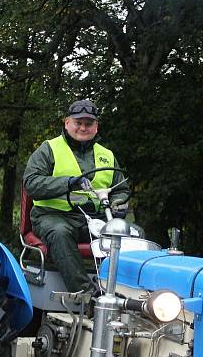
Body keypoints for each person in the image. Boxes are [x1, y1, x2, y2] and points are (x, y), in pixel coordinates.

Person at [23, 99, 129, 294]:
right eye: (78, 122)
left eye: (88, 124)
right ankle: (88, 296)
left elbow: (121, 189)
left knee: (133, 235)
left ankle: (130, 294)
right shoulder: (49, 149)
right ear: (67, 123)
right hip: (52, 216)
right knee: (60, 233)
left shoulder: (107, 155)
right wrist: (68, 183)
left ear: (96, 127)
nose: (83, 127)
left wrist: (117, 203)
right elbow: (31, 184)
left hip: (94, 220)